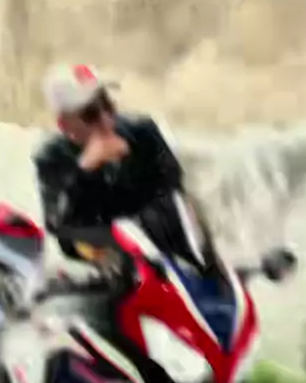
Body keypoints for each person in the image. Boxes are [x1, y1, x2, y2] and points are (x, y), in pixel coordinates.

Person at [33, 63, 217, 271]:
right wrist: (85, 171)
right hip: (104, 262)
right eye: (91, 114)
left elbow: (174, 186)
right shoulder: (51, 158)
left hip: (163, 247)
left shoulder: (142, 131)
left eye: (107, 105)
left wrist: (128, 163)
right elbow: (58, 224)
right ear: (65, 126)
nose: (106, 119)